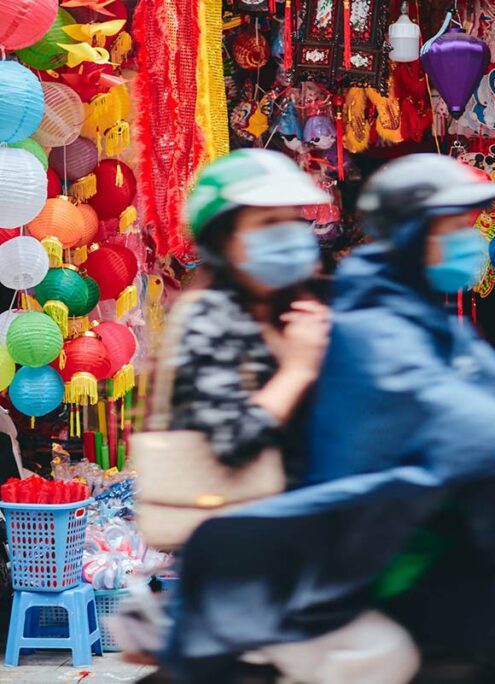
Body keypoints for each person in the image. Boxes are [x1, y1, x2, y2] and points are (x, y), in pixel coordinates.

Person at [165, 154, 495, 684]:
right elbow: (455, 417)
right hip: (368, 552)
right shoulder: (358, 323)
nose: (465, 240)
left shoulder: (402, 313)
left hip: (415, 533)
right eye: (452, 226)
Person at [144, 149, 419, 683]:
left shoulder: (293, 306)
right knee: (380, 656)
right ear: (226, 239)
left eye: (290, 220)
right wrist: (295, 370)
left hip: (312, 546)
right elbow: (233, 440)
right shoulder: (208, 316)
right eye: (266, 223)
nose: (287, 234)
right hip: (248, 566)